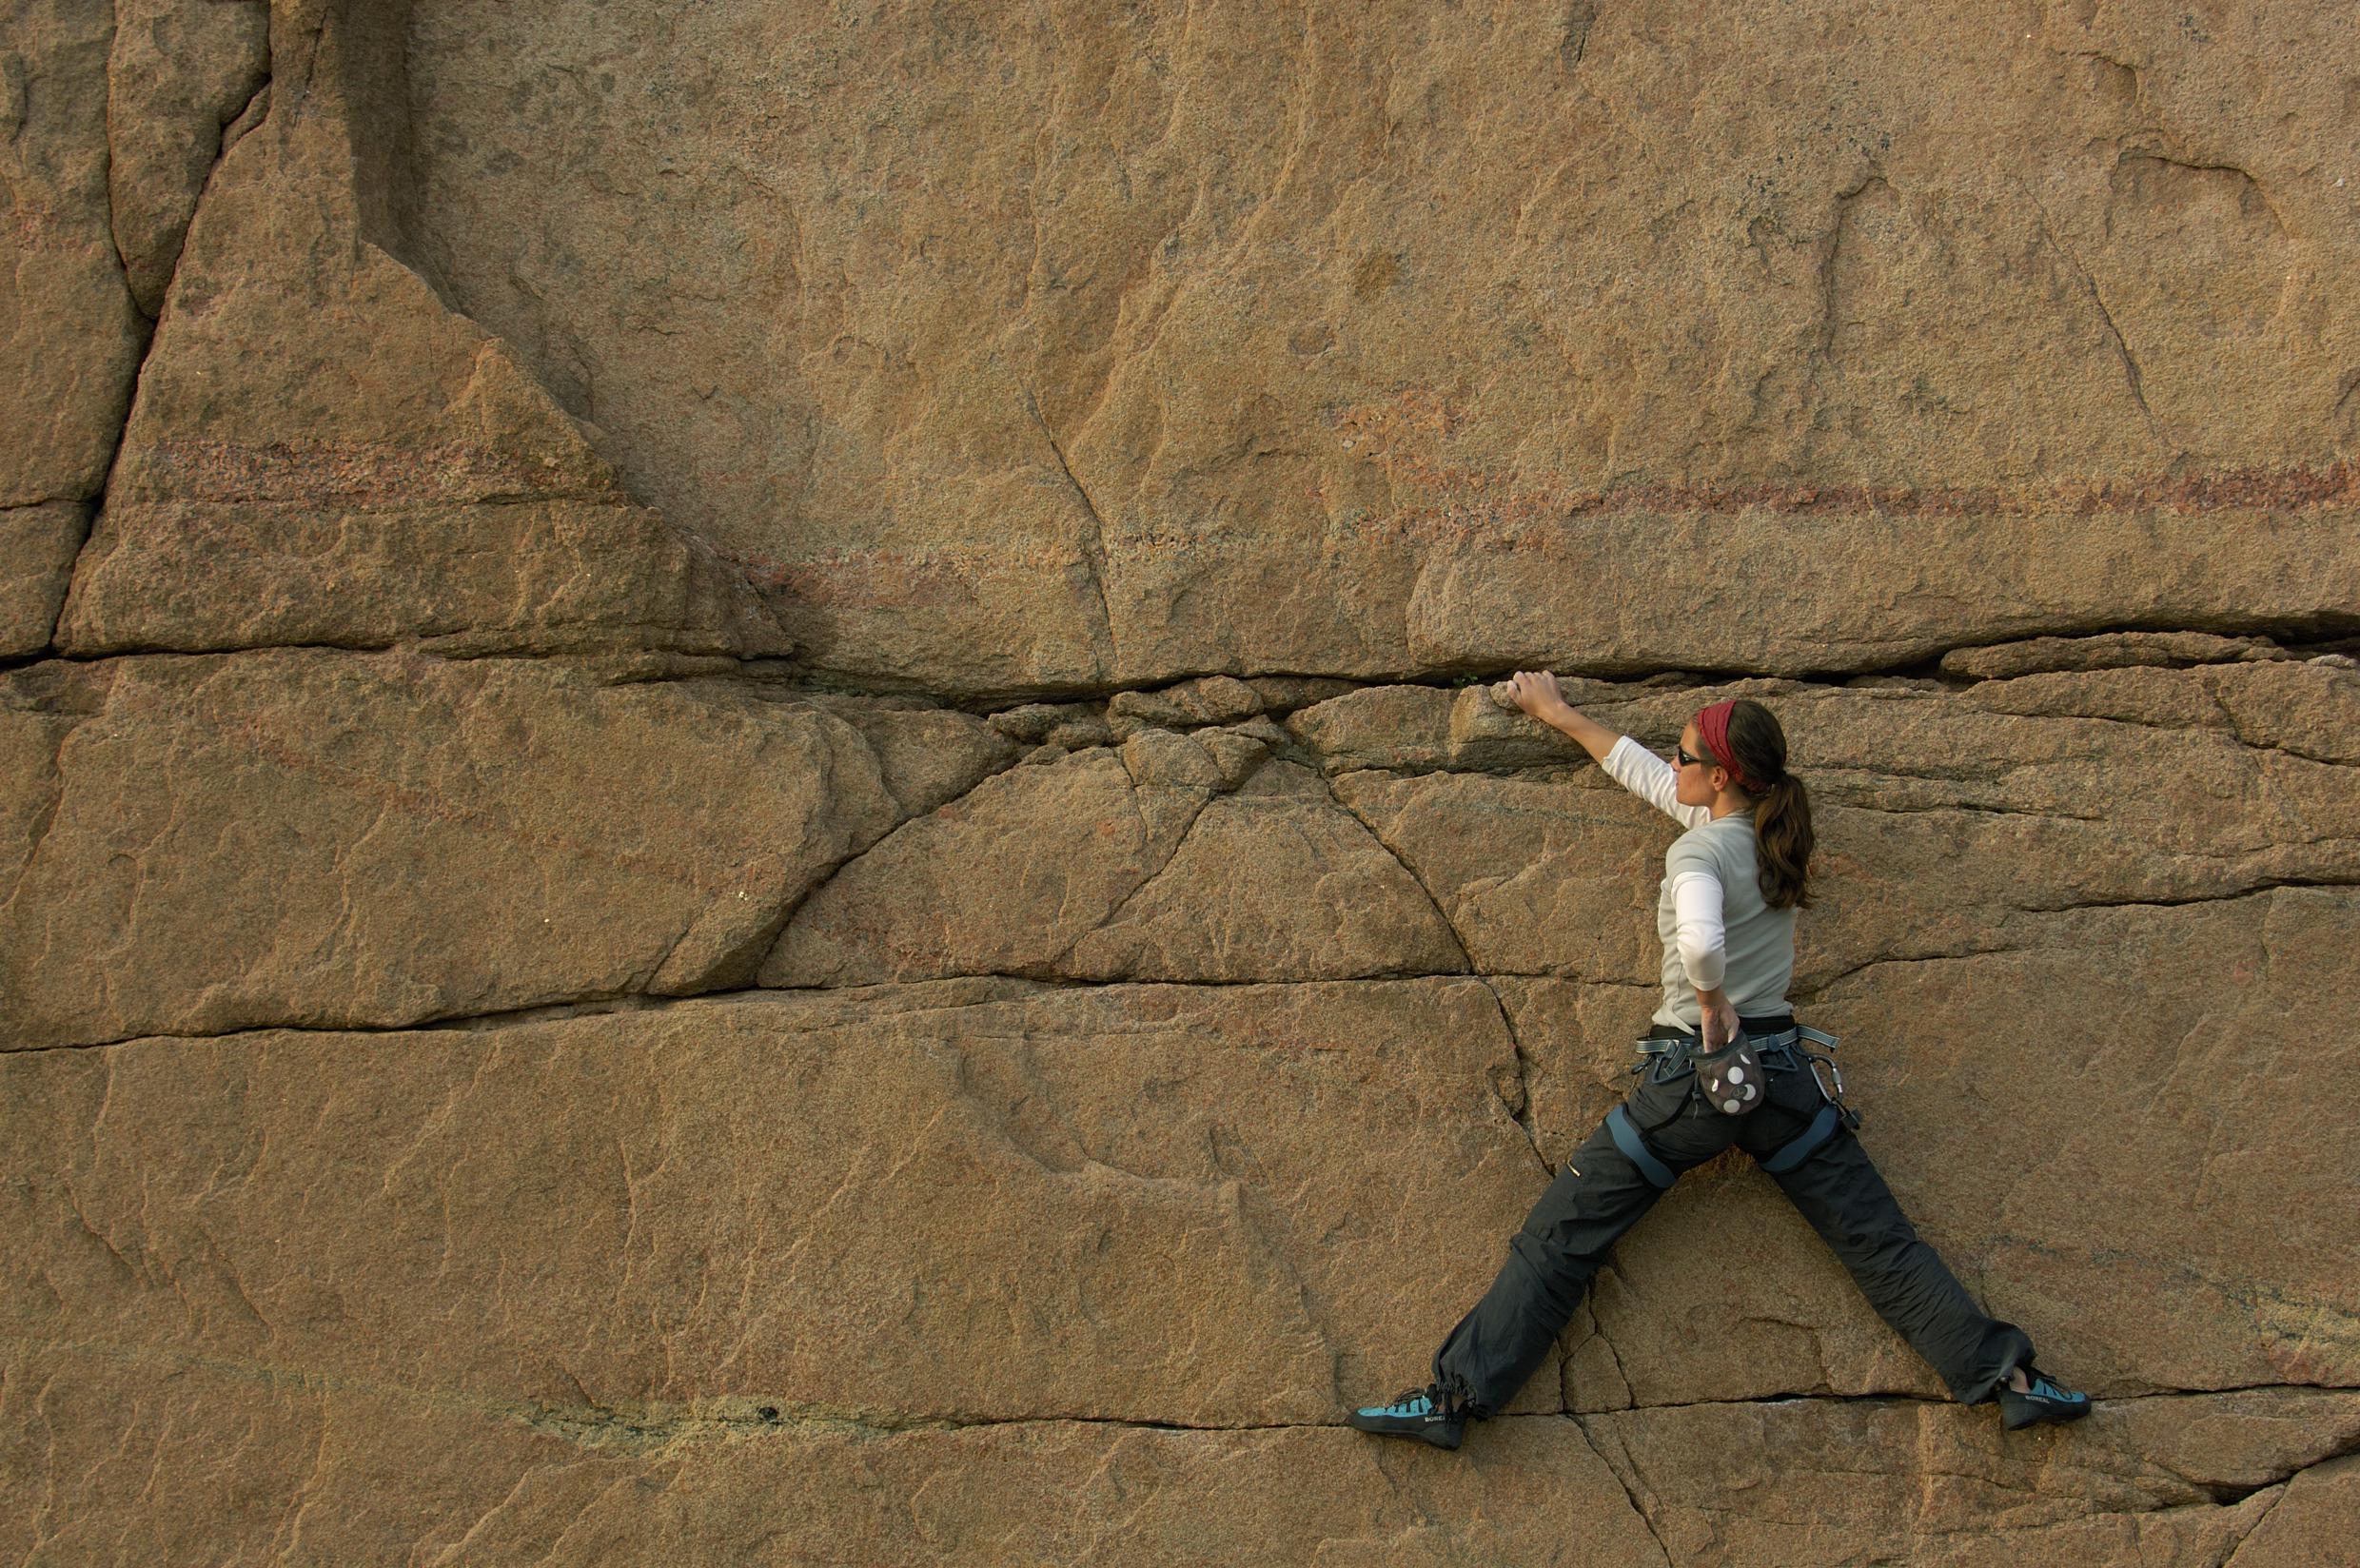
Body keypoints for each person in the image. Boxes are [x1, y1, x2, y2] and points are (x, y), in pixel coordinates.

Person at [1347, 676, 2091, 1450]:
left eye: (1685, 756)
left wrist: (1708, 1001)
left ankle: (1454, 1399)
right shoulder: (1771, 835)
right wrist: (1560, 716)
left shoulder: (1697, 848)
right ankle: (2010, 1381)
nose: (1674, 766)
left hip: (1686, 1089)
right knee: (1878, 1243)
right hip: (1784, 1085)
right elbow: (1643, 772)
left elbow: (1702, 942)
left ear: (1722, 776)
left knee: (1560, 1241)